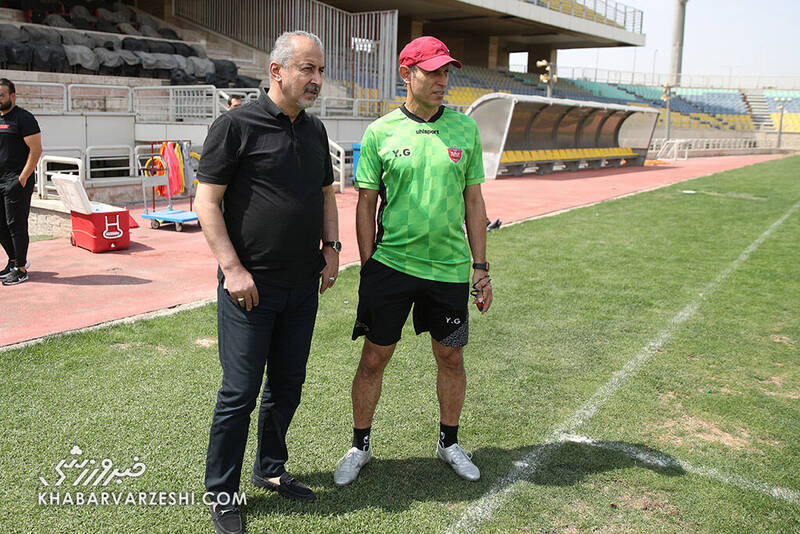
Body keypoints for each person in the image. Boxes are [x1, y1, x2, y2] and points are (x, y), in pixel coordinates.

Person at [195, 31, 339, 534]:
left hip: (302, 286)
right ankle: (222, 492)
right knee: (239, 392)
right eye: (307, 68)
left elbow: (326, 194)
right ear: (276, 71)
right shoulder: (235, 125)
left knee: (288, 385)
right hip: (249, 288)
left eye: (319, 69)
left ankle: (271, 470)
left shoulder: (316, 131)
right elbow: (206, 203)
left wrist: (332, 249)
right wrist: (233, 270)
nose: (316, 79)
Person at [333, 36, 493, 486]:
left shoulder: (465, 130)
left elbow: (475, 203)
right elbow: (365, 204)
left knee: (452, 356)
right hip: (392, 268)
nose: (443, 80)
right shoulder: (381, 131)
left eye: (447, 72)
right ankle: (359, 446)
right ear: (407, 74)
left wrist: (480, 269)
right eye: (433, 72)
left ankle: (449, 443)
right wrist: (368, 267)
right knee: (373, 358)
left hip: (447, 271)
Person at [0, 78, 42, 286]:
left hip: (17, 181)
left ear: (13, 96)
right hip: (0, 180)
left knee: (16, 225)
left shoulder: (23, 118)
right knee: (1, 225)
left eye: (2, 95)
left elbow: (36, 150)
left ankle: (21, 269)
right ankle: (13, 261)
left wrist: (22, 178)